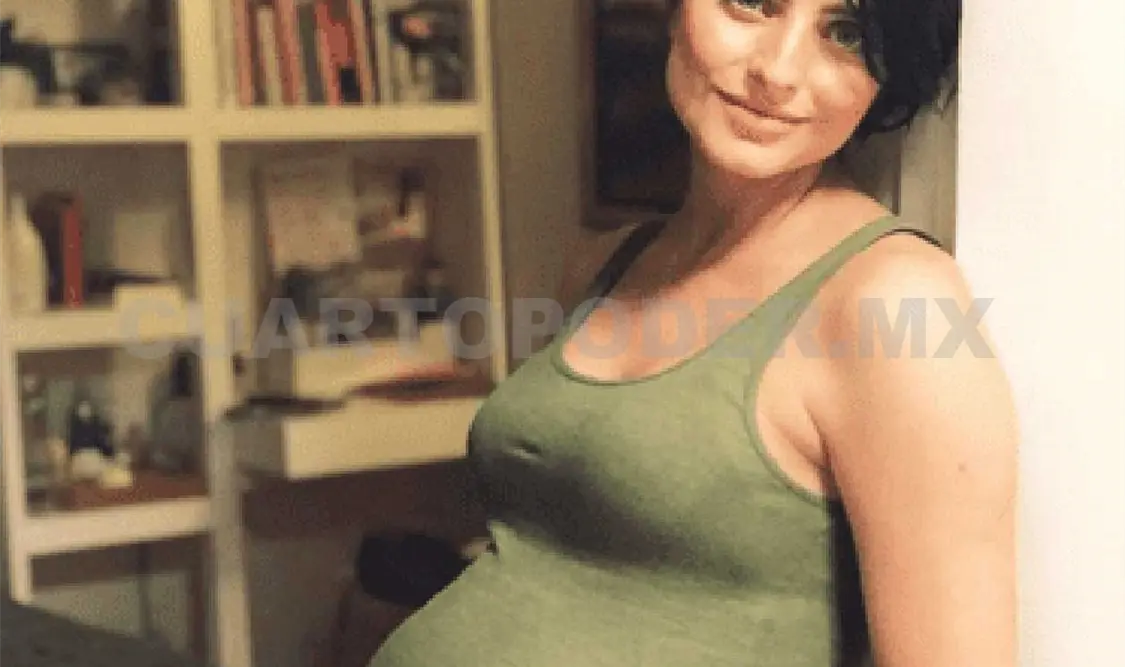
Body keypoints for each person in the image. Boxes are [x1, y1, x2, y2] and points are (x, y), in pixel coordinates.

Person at [369, 0, 1017, 665]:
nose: (777, 71)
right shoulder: (608, 261)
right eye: (753, 3)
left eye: (845, 33)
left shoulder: (896, 301)